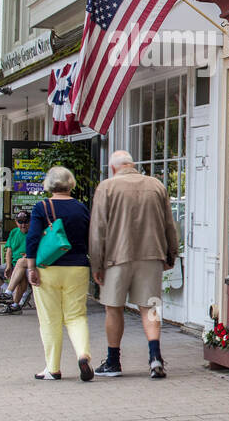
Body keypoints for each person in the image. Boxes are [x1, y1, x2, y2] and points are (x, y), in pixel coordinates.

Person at [88, 150, 180, 378]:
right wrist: (171, 255)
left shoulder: (106, 188)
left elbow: (98, 230)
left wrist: (96, 264)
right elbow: (170, 223)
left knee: (113, 308)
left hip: (117, 257)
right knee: (150, 307)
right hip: (150, 255)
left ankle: (113, 361)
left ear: (113, 168)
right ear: (133, 164)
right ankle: (155, 357)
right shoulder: (156, 186)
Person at [24, 167, 93, 381]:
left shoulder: (42, 207)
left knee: (50, 319)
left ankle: (53, 368)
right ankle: (83, 354)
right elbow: (90, 238)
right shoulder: (81, 208)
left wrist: (30, 267)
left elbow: (33, 238)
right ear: (70, 183)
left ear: (49, 184)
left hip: (48, 268)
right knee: (76, 316)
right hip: (78, 267)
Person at [0, 210, 32, 315]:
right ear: (16, 222)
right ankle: (9, 294)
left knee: (21, 276)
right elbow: (9, 251)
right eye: (20, 222)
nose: (23, 225)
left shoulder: (35, 232)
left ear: (31, 221)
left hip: (26, 264)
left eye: (26, 222)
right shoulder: (14, 232)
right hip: (13, 263)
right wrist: (8, 266)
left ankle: (14, 304)